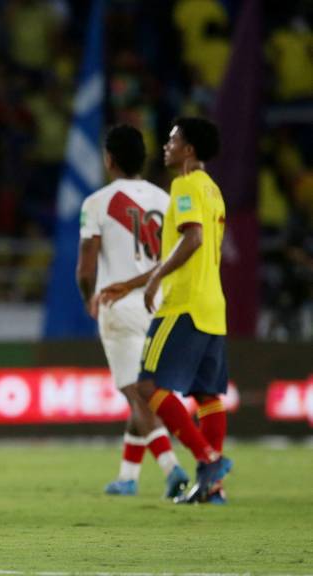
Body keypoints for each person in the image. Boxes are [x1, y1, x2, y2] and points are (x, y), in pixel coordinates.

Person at [101, 117, 231, 504]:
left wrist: (156, 278)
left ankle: (208, 459)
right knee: (207, 394)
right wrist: (134, 282)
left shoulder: (185, 184)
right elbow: (188, 245)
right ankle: (213, 488)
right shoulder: (213, 190)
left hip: (183, 304)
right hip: (213, 304)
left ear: (188, 150)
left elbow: (192, 238)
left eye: (173, 141)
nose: (166, 146)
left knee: (148, 386)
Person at [76, 124, 189, 497]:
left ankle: (171, 467)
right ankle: (127, 477)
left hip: (120, 306)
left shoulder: (97, 202)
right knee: (145, 392)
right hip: (160, 304)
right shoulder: (165, 199)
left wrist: (89, 296)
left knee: (136, 393)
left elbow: (86, 267)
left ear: (109, 159)